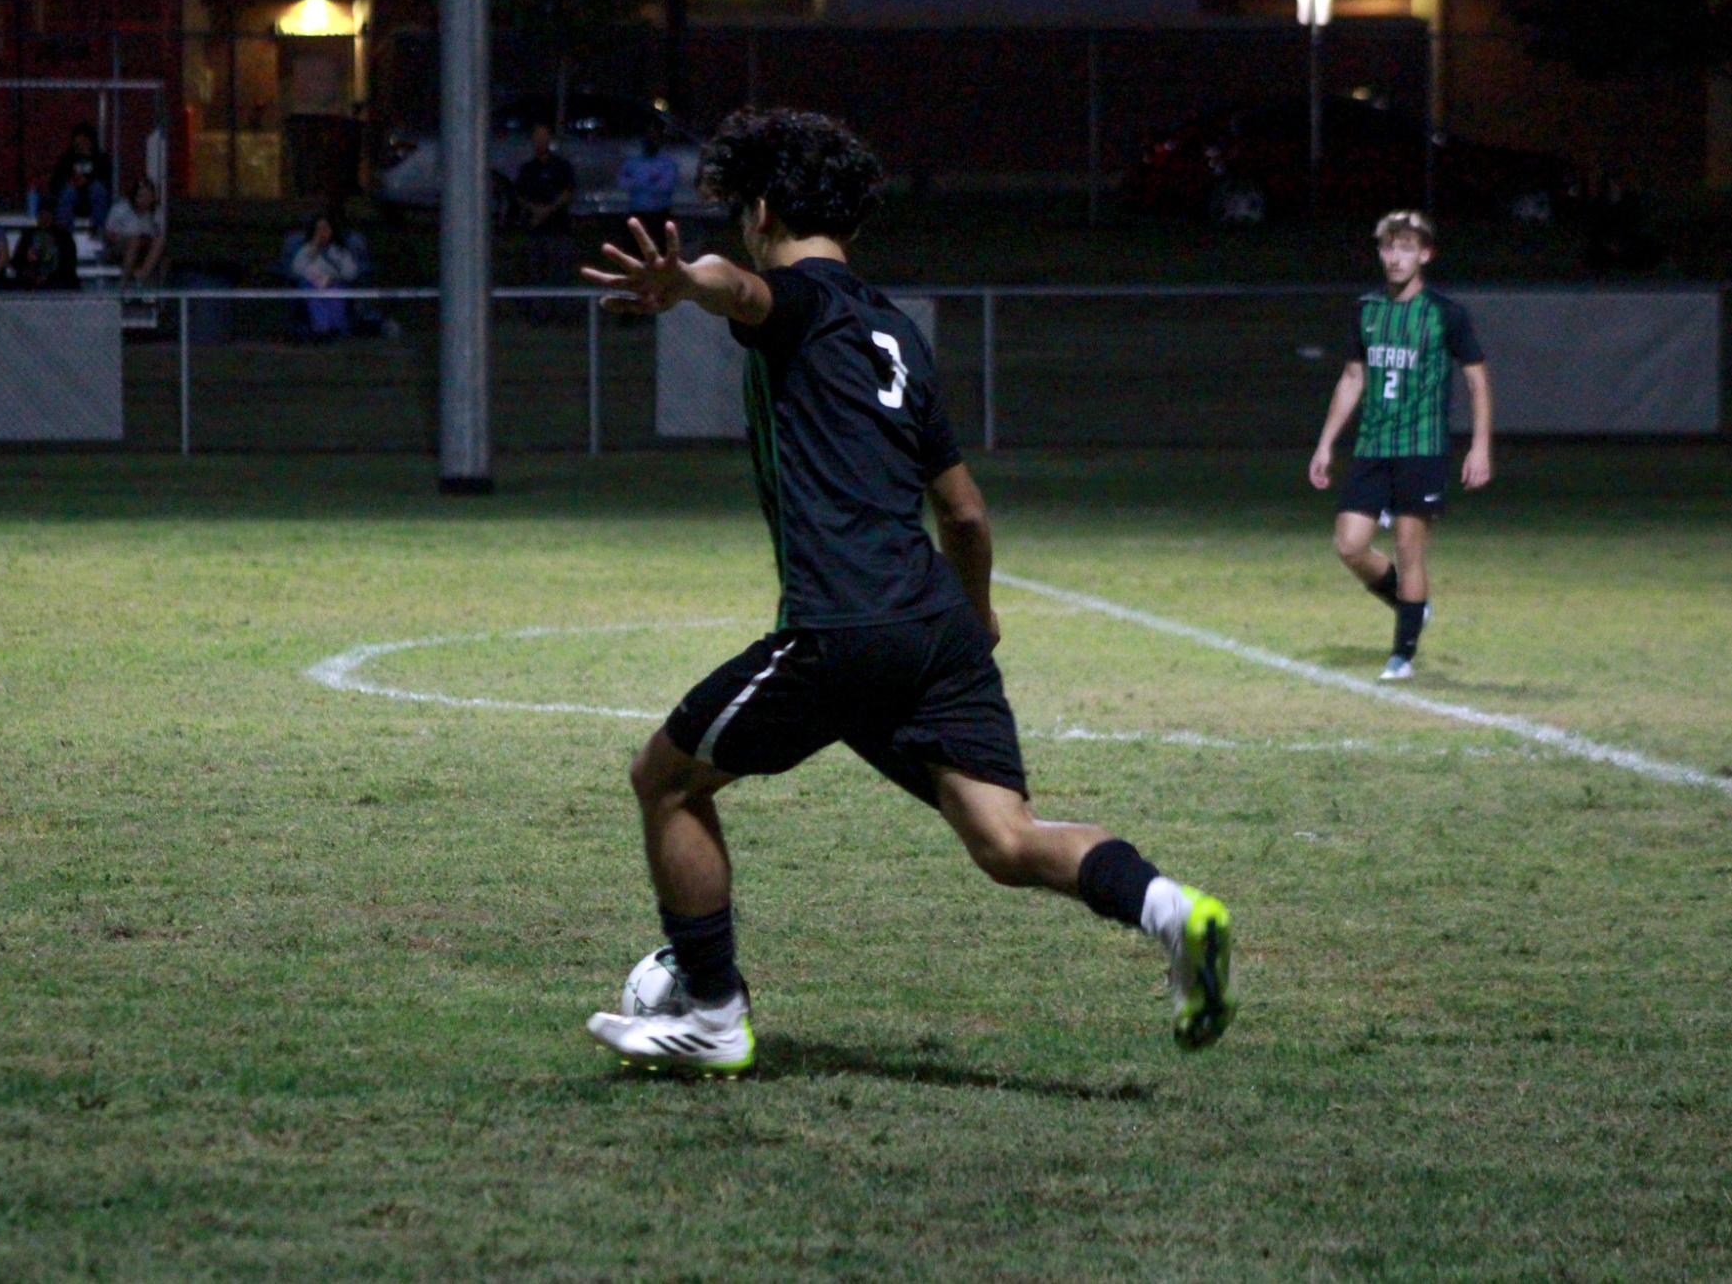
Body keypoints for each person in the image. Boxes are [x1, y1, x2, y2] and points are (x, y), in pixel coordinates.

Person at [578, 108, 1235, 1074]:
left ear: (760, 210)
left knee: (665, 782)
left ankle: (712, 1012)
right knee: (1006, 840)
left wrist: (684, 283)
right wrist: (973, 621)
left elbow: (743, 294)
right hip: (932, 625)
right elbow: (963, 514)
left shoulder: (795, 299)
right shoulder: (895, 332)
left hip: (848, 622)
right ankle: (1173, 913)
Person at [1309, 209, 1494, 681]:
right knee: (1349, 544)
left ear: (1425, 254)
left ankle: (1402, 655)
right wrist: (1326, 443)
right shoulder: (1366, 310)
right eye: (1389, 247)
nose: (1395, 257)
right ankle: (1410, 605)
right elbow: (1353, 378)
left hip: (1422, 448)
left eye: (1407, 247)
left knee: (1411, 551)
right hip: (1373, 446)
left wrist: (1480, 447)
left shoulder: (1445, 314)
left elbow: (1477, 383)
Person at [513, 123, 576, 318]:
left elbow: (568, 191)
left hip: (559, 228)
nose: (540, 142)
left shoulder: (561, 166)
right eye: (537, 138)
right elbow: (519, 195)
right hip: (535, 229)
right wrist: (535, 211)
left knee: (561, 273)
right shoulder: (527, 169)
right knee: (536, 273)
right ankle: (539, 313)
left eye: (544, 138)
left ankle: (563, 314)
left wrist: (548, 210)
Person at [288, 209, 361, 339]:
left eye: (325, 228)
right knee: (311, 291)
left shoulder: (340, 251)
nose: (322, 233)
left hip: (335, 284)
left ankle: (335, 329)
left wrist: (333, 279)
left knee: (336, 292)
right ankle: (321, 329)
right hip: (311, 285)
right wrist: (313, 249)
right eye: (318, 229)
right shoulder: (305, 250)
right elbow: (297, 269)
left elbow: (351, 273)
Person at [103, 176, 166, 287]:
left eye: (149, 196)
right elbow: (108, 233)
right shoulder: (120, 209)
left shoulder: (156, 212)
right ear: (134, 196)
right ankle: (123, 284)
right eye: (142, 196)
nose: (145, 200)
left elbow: (157, 233)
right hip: (120, 245)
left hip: (145, 247)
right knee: (134, 240)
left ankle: (142, 277)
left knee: (159, 242)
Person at [49, 122, 112, 230]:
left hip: (92, 199)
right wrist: (71, 181)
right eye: (78, 141)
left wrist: (87, 181)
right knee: (68, 190)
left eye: (84, 140)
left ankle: (98, 230)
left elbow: (106, 180)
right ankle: (63, 233)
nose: (81, 144)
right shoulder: (67, 159)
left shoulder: (101, 159)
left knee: (97, 188)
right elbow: (55, 182)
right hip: (72, 198)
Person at [10, 195, 80, 290]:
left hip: (57, 282)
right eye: (41, 215)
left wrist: (48, 276)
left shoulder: (64, 237)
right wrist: (30, 273)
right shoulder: (28, 235)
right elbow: (17, 261)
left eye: (48, 215)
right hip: (31, 281)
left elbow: (69, 265)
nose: (44, 218)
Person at [615, 130, 680, 217]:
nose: (651, 143)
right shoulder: (631, 163)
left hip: (660, 212)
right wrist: (650, 181)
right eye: (648, 140)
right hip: (636, 211)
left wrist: (637, 182)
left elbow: (666, 186)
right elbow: (622, 184)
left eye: (654, 140)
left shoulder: (668, 164)